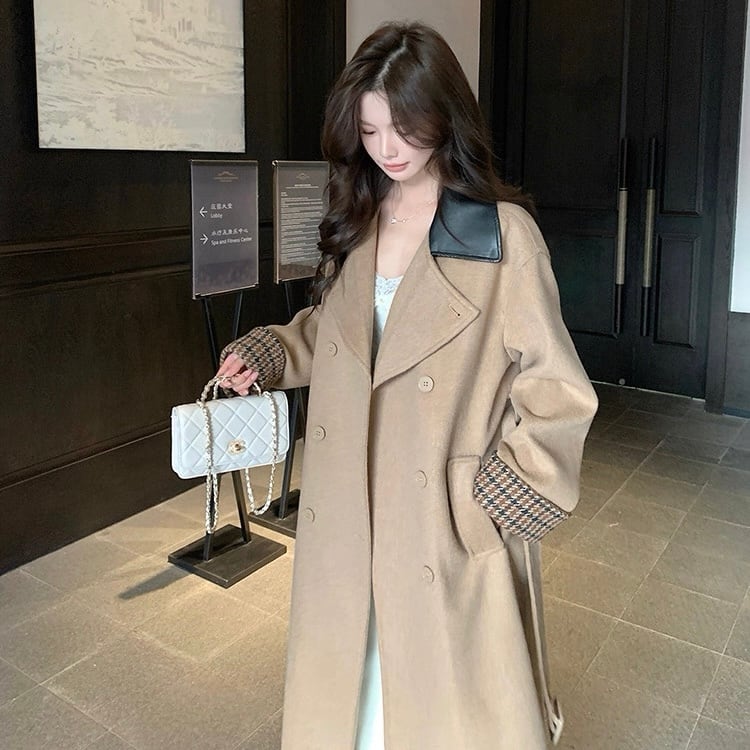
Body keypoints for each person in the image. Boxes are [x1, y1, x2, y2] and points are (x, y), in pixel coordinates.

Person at [216, 21, 598, 750]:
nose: (388, 149)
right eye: (369, 130)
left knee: (440, 706)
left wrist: (494, 496)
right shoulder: (360, 220)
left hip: (438, 524)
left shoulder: (498, 235)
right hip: (349, 507)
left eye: (405, 127)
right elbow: (340, 334)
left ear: (443, 116)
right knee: (350, 691)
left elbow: (558, 390)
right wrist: (269, 353)